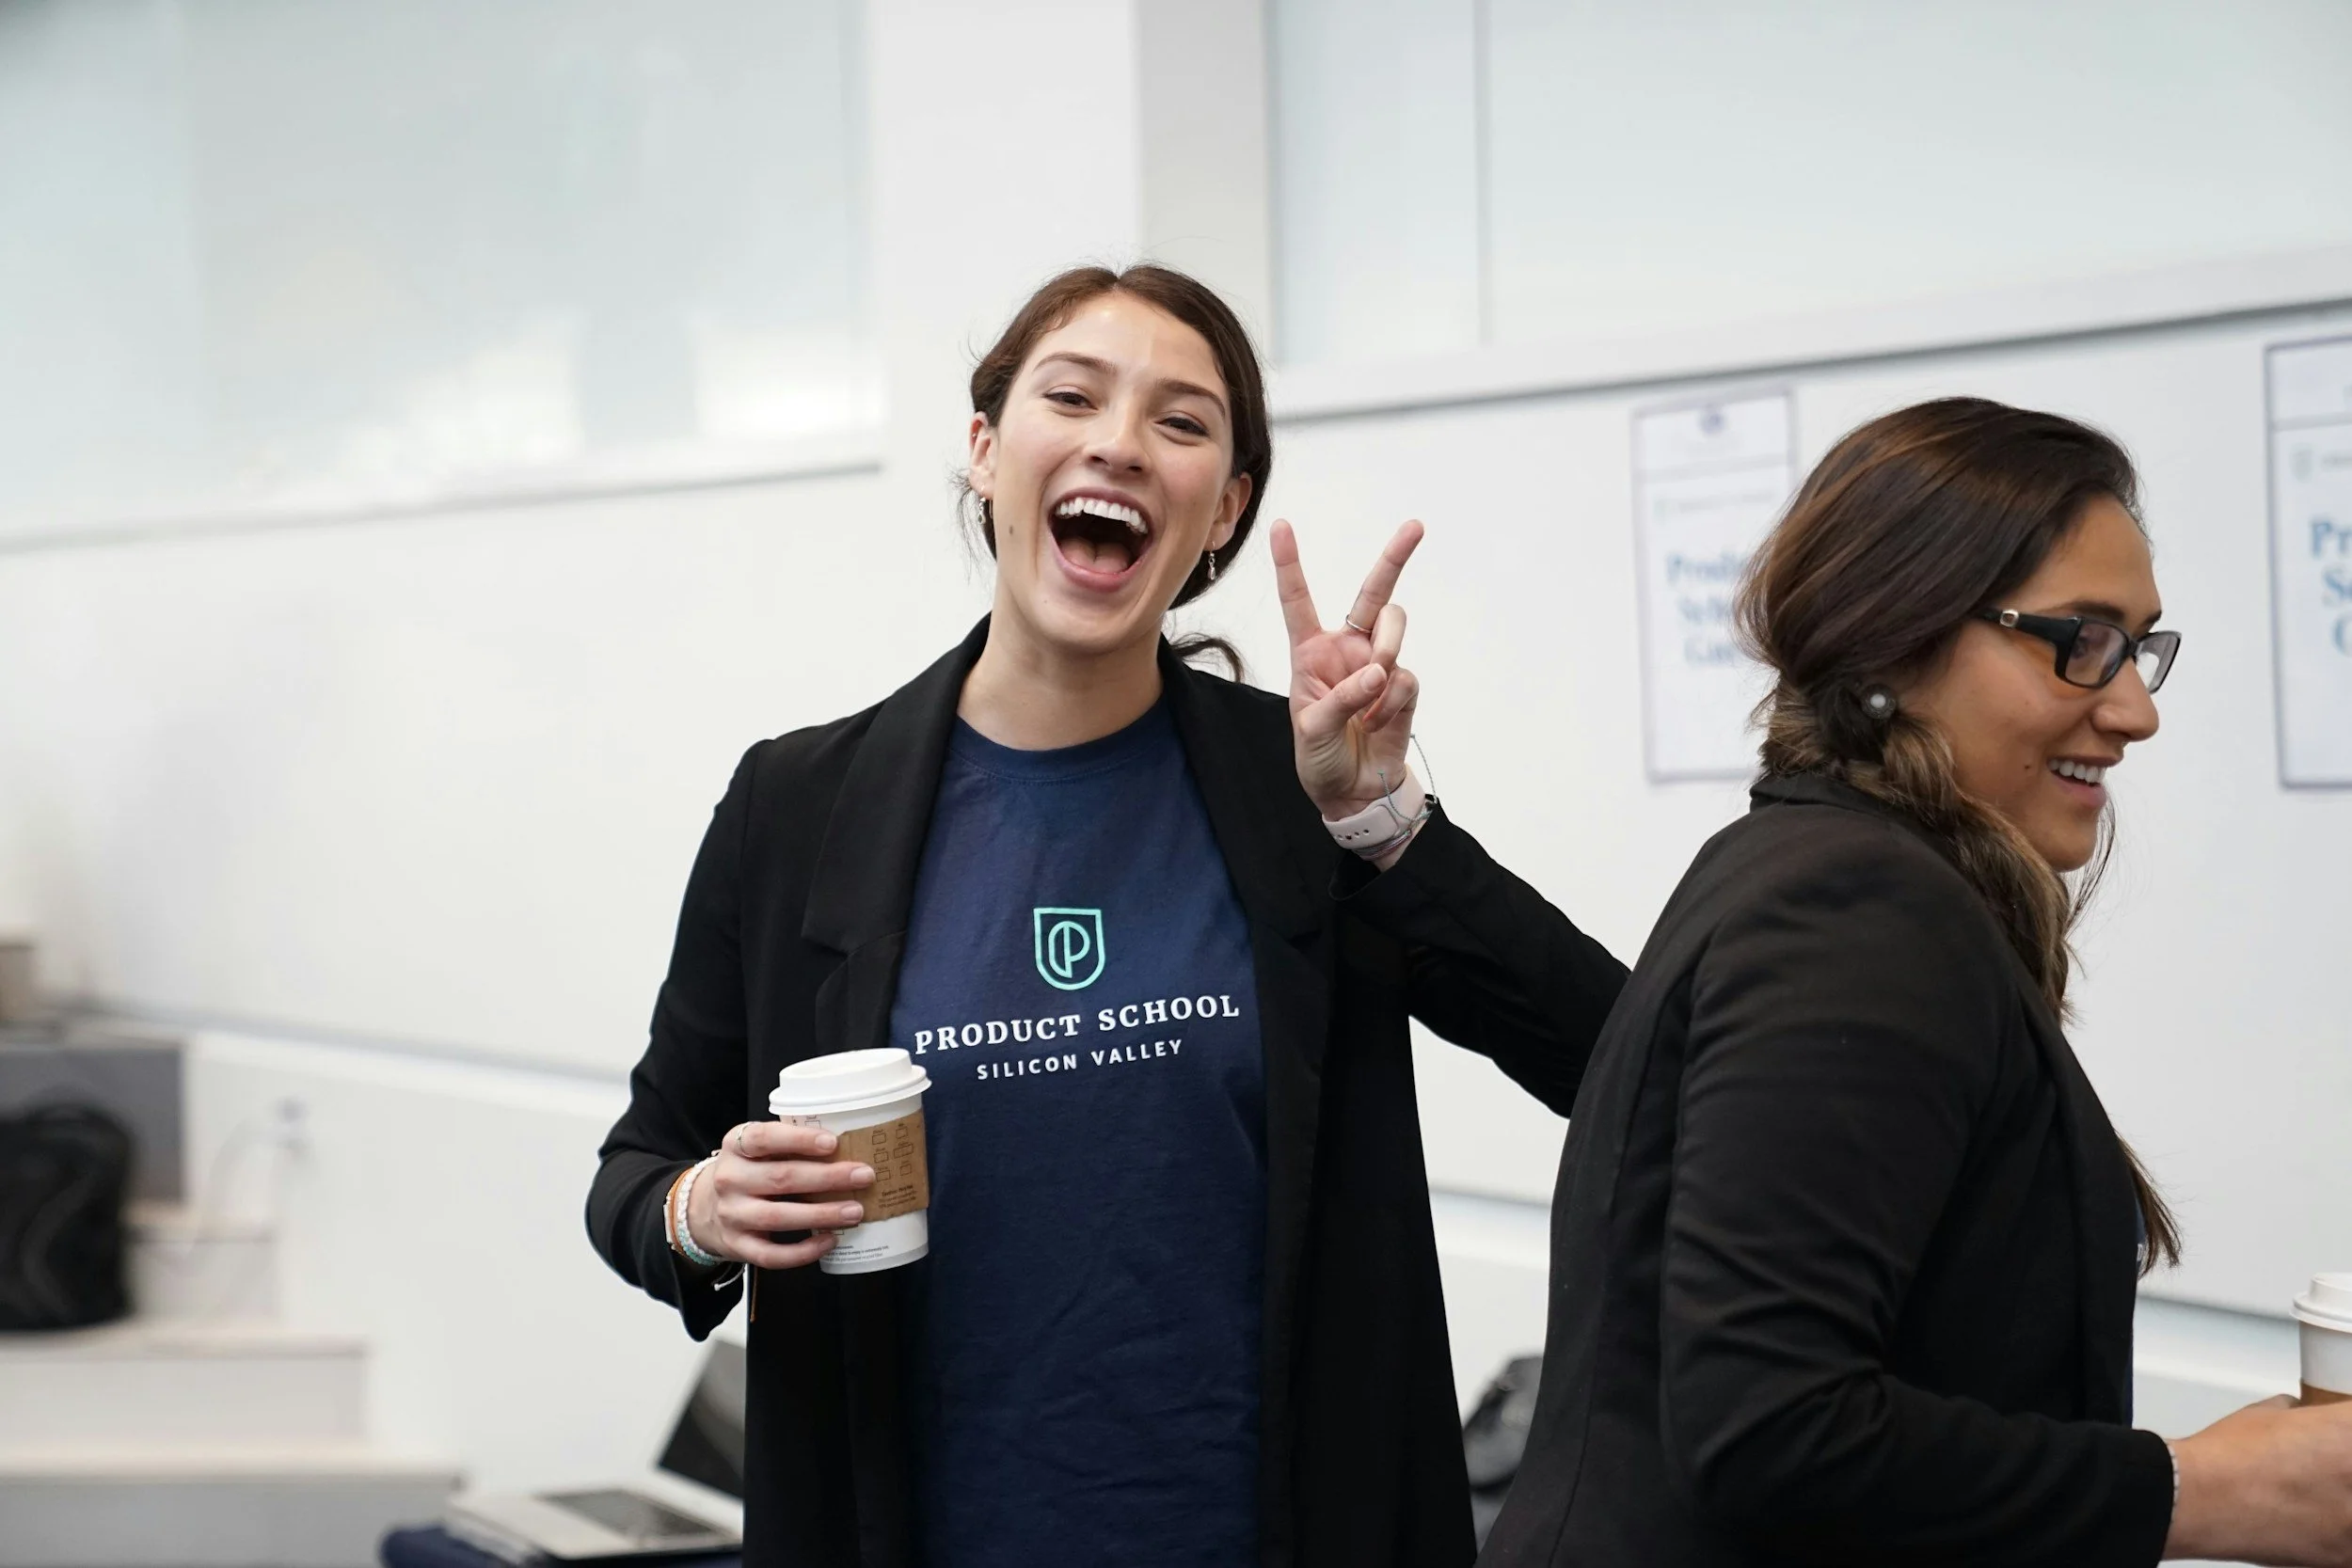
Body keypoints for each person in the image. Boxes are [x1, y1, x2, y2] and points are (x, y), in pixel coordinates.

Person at [585, 263, 1628, 1568]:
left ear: (1223, 510)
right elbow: (636, 1172)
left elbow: (1616, 1058)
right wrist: (701, 1205)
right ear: (984, 451)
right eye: (1071, 395)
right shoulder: (800, 803)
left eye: (1182, 424)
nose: (1121, 442)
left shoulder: (1299, 789)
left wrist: (1380, 819)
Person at [1478, 397, 2352, 1567]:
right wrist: (2197, 1487)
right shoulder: (1855, 910)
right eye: (2080, 639)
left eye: (2138, 645)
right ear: (1897, 636)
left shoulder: (1816, 863)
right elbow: (1770, 1430)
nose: (2136, 707)